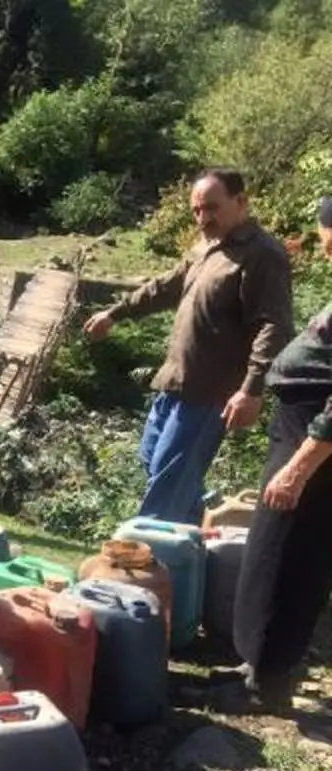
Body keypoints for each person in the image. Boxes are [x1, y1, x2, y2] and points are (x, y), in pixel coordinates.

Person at [83, 168, 294, 525]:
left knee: (167, 485)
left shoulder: (262, 255)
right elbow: (165, 287)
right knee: (153, 460)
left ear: (241, 202)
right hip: (176, 383)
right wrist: (116, 313)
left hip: (209, 394)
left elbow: (274, 326)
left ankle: (142, 564)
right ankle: (202, 527)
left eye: (211, 208)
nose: (202, 218)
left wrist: (251, 389)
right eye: (196, 210)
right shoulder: (208, 246)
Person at [218, 196, 332, 714]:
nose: (324, 250)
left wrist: (299, 467)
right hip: (300, 431)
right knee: (274, 552)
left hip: (313, 445)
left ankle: (264, 683)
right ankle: (256, 666)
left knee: (286, 556)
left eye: (327, 237)